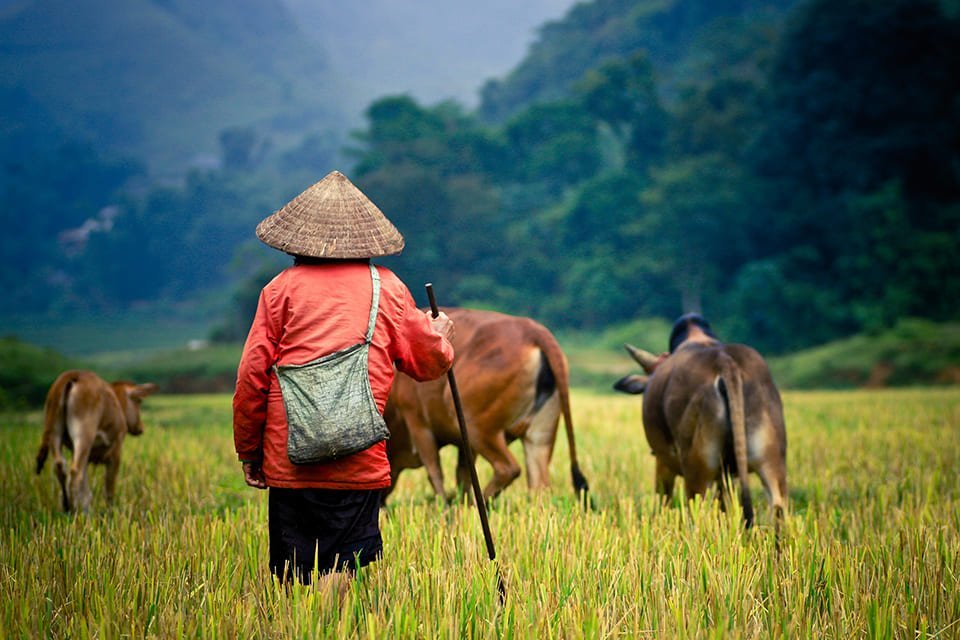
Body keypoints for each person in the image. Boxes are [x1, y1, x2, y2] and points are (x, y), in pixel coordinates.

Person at [233, 170, 455, 594]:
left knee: (295, 567)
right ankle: (326, 624)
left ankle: (299, 625)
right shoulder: (387, 288)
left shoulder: (278, 291)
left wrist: (249, 449)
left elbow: (251, 377)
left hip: (288, 454)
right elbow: (426, 363)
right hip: (358, 454)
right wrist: (440, 335)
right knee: (342, 562)